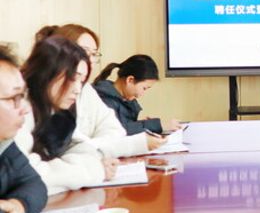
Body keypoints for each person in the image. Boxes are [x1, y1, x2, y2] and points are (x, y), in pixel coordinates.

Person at [35, 24, 165, 156]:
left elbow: (116, 130)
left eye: (93, 54)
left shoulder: (86, 90)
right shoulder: (37, 96)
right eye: (84, 51)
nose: (90, 60)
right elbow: (71, 147)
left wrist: (97, 150)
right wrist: (102, 151)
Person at [15, 36, 116, 195]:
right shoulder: (18, 108)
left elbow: (80, 146)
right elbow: (28, 176)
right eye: (72, 78)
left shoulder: (59, 112)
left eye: (82, 81)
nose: (78, 89)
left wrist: (92, 165)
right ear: (47, 72)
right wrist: (94, 171)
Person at [0, 45, 47, 213]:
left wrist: (17, 205)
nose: (25, 109)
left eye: (23, 96)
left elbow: (34, 184)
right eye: (14, 98)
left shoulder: (4, 145)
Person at [94, 55, 181, 135]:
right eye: (144, 88)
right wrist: (157, 125)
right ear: (130, 80)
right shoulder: (103, 99)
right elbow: (119, 130)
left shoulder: (122, 99)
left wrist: (140, 124)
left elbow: (125, 125)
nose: (141, 94)